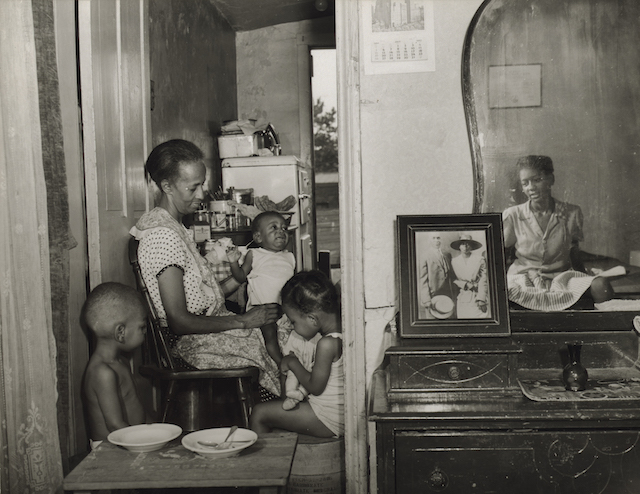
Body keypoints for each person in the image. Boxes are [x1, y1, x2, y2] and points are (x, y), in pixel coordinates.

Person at [129, 139, 283, 397]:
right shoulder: (162, 236)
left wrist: (238, 279)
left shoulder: (174, 227)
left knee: (279, 328)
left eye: (202, 184)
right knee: (271, 345)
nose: (201, 195)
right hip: (188, 344)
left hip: (204, 330)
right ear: (166, 186)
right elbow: (179, 321)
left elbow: (197, 297)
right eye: (193, 187)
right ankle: (274, 416)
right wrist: (243, 321)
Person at [502, 155, 613, 311]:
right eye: (525, 183)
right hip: (524, 278)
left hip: (560, 277)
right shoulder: (513, 215)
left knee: (601, 285)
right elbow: (500, 252)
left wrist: (586, 277)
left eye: (537, 180)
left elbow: (574, 251)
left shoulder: (572, 213)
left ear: (551, 180)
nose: (531, 187)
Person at [250, 271, 344, 438]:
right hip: (333, 412)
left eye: (293, 322)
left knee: (259, 413)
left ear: (312, 319)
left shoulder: (327, 344)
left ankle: (265, 464)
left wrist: (293, 362)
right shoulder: (342, 333)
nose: (293, 327)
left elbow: (315, 387)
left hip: (328, 416)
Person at [81, 282, 150, 448]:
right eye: (142, 327)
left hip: (128, 440)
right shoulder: (102, 372)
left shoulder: (121, 362)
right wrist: (146, 444)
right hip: (109, 449)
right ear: (120, 332)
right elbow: (115, 425)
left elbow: (135, 406)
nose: (145, 331)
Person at [227, 211, 295, 366]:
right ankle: (280, 362)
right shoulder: (255, 254)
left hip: (285, 309)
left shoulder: (289, 256)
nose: (281, 231)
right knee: (270, 335)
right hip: (261, 310)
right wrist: (233, 263)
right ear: (258, 237)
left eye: (284, 228)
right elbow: (240, 277)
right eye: (274, 227)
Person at [450, 234, 489, 318]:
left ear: (472, 246)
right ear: (459, 246)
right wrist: (465, 285)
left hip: (477, 295)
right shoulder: (454, 261)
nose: (465, 246)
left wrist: (481, 299)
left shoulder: (479, 259)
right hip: (463, 296)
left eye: (468, 243)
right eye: (463, 244)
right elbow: (453, 279)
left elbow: (484, 279)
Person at [419, 232, 455, 318]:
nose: (436, 241)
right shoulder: (425, 256)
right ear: (429, 240)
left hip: (447, 295)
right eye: (433, 238)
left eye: (438, 238)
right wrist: (426, 300)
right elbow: (423, 279)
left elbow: (451, 276)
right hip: (433, 297)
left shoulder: (447, 255)